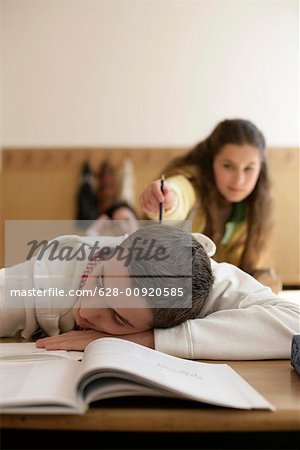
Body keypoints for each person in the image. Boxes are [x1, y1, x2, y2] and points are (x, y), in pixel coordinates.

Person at [0, 224, 298, 360]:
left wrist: (151, 341)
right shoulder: (51, 275)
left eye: (118, 318)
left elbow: (293, 322)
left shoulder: (207, 287)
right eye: (101, 279)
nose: (85, 311)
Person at [139, 119, 282, 293]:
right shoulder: (194, 183)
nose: (239, 179)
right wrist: (167, 200)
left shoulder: (256, 207)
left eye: (248, 169)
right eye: (228, 166)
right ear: (212, 161)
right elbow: (180, 192)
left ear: (260, 168)